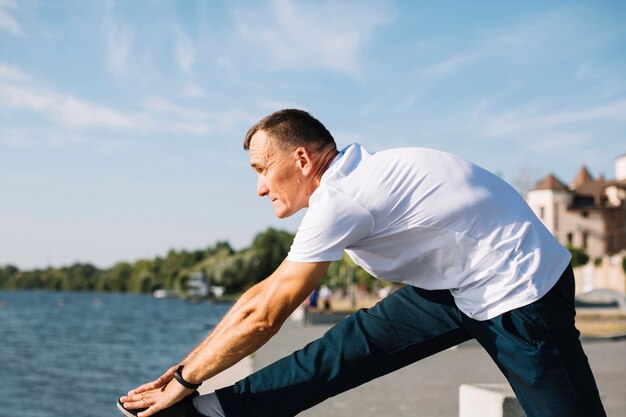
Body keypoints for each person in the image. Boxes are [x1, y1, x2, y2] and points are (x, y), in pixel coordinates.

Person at [118, 109, 606, 417]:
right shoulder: (354, 178)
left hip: (519, 291)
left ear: (304, 160)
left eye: (263, 170)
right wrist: (183, 374)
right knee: (344, 349)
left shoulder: (344, 197)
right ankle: (217, 413)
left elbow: (267, 315)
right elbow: (258, 296)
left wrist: (182, 380)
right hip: (458, 283)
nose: (260, 187)